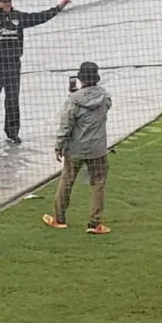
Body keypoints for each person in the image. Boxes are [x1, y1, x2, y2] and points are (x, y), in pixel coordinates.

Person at [0, 0, 71, 144]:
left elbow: (39, 17)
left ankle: (12, 132)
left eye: (8, 1)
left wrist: (58, 7)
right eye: (3, 1)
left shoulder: (18, 16)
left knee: (12, 100)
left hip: (13, 64)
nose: (6, 4)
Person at [43, 62, 113, 235]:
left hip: (75, 149)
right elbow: (105, 107)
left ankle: (59, 218)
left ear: (80, 78)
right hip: (98, 149)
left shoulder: (73, 101)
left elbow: (66, 125)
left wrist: (59, 145)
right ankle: (94, 223)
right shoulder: (105, 97)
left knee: (67, 181)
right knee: (98, 183)